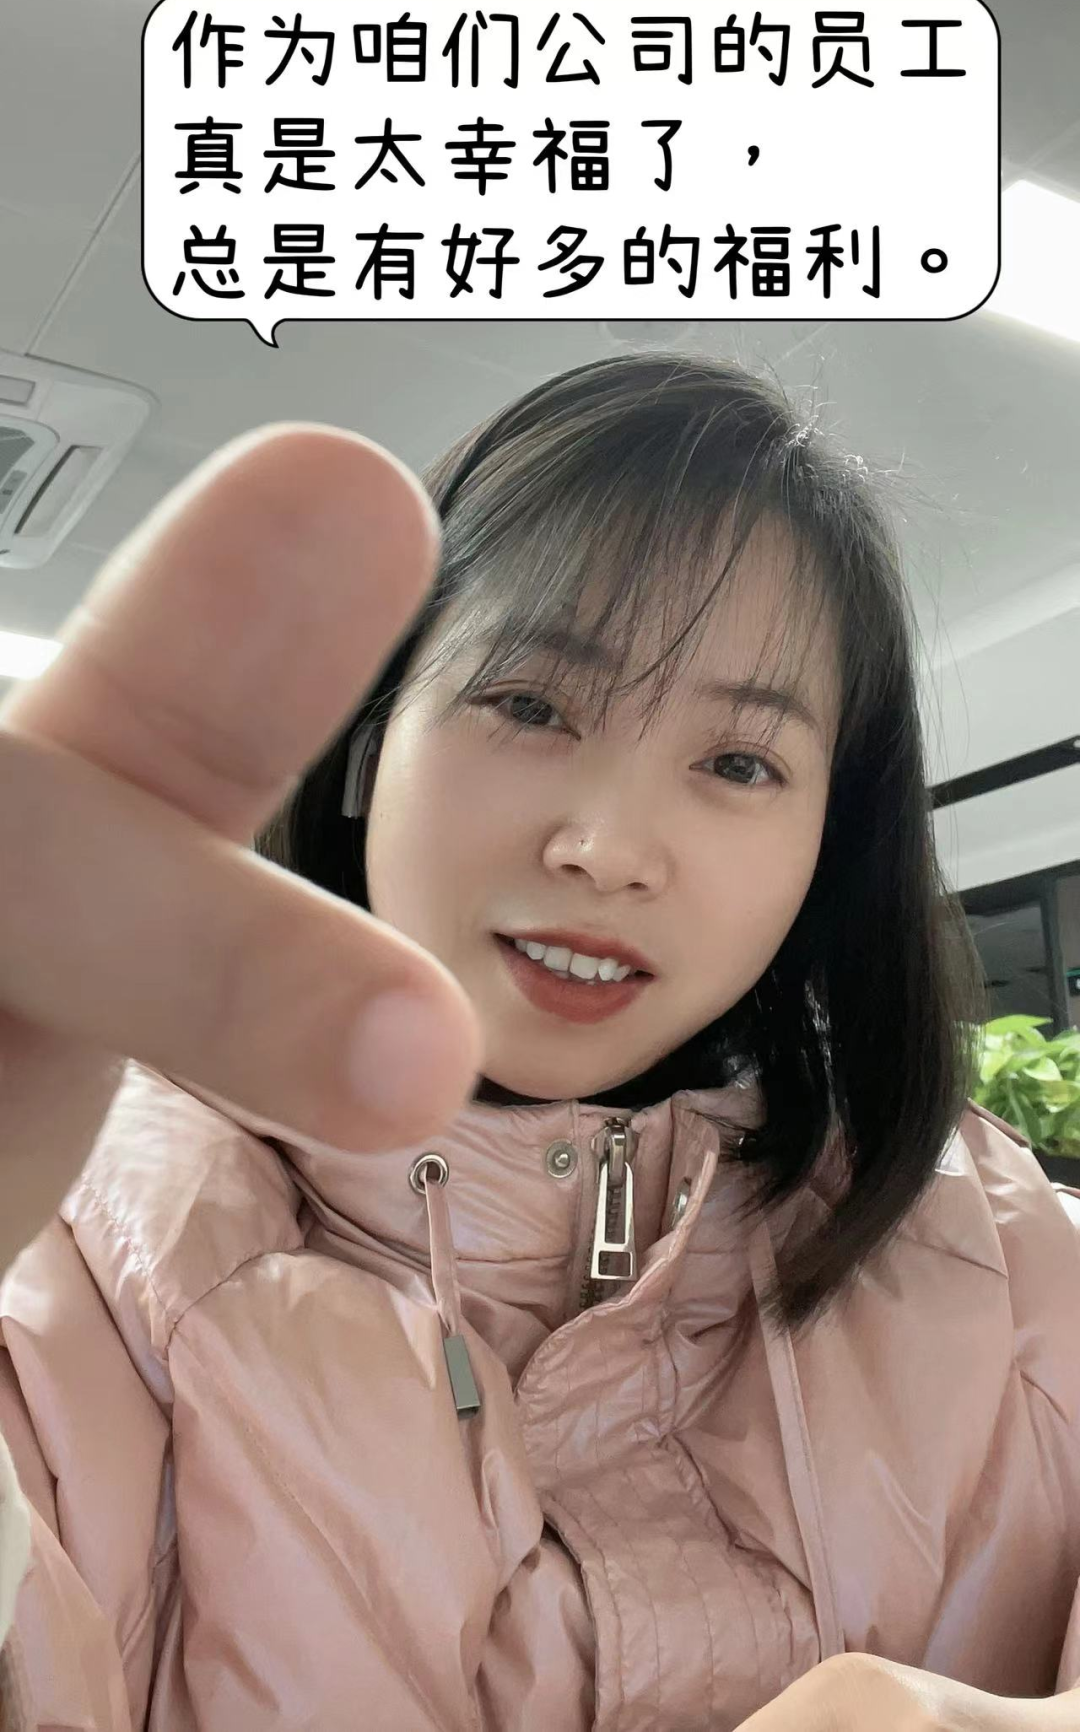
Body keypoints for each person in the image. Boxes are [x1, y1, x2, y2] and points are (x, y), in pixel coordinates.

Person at [0, 353, 1077, 1732]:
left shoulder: (1010, 1257)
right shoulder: (75, 1261)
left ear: (829, 841)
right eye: (530, 705)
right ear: (370, 739)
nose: (609, 848)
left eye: (738, 763)